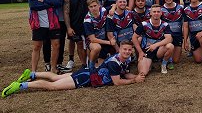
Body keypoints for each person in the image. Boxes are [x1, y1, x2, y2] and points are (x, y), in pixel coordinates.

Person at [1, 40, 145, 98]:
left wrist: (138, 76)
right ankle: (20, 85)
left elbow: (125, 74)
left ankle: (32, 74)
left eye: (129, 50)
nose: (127, 52)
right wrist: (134, 81)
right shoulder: (115, 62)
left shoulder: (124, 60)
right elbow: (117, 82)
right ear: (120, 49)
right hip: (85, 78)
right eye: (125, 49)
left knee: (56, 77)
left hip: (87, 72)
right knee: (53, 86)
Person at [28, 0, 63, 73]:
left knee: (56, 46)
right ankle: (33, 71)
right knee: (37, 47)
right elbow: (33, 5)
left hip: (53, 22)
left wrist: (44, 0)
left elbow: (59, 2)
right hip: (38, 23)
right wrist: (50, 4)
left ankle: (53, 69)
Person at [132, 4, 174, 75]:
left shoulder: (165, 25)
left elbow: (169, 39)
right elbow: (134, 37)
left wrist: (155, 45)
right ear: (150, 13)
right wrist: (140, 52)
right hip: (148, 50)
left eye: (158, 12)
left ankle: (163, 64)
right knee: (143, 73)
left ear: (161, 13)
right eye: (154, 12)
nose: (156, 13)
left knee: (170, 46)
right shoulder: (144, 24)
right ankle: (150, 63)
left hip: (159, 50)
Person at [64, 0, 93, 69]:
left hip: (88, 23)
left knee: (90, 44)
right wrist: (68, 27)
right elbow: (66, 13)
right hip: (75, 24)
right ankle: (84, 65)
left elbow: (94, 5)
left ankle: (91, 63)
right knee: (79, 44)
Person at [84, 0, 113, 69]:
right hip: (93, 41)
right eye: (91, 7)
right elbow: (93, 39)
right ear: (88, 8)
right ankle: (90, 65)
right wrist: (109, 42)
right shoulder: (87, 20)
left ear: (99, 5)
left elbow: (114, 5)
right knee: (97, 47)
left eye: (95, 6)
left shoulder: (103, 10)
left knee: (101, 67)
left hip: (104, 38)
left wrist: (112, 9)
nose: (93, 8)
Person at [161, 0, 184, 69]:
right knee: (169, 49)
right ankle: (166, 60)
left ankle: (170, 57)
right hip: (167, 37)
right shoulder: (160, 10)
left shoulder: (181, 7)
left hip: (178, 35)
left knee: (176, 60)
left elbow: (185, 22)